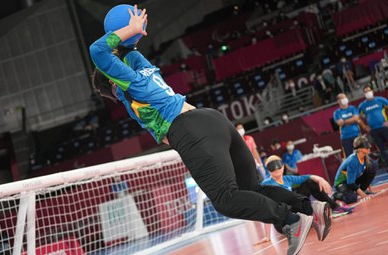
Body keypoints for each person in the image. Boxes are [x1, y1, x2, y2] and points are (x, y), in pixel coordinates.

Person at [89, 6, 324, 254]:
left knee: (225, 199)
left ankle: (290, 221)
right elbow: (126, 50)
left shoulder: (129, 86)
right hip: (211, 118)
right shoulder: (140, 63)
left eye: (112, 94)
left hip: (189, 130)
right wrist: (131, 33)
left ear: (114, 80)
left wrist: (129, 30)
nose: (116, 98)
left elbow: (98, 50)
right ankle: (309, 208)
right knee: (251, 189)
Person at [262, 155, 353, 219]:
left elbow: (305, 177)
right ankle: (315, 212)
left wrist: (320, 179)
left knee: (310, 182)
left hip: (297, 205)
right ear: (268, 170)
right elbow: (262, 203)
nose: (276, 169)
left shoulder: (287, 179)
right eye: (272, 167)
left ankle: (335, 208)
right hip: (286, 212)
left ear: (282, 167)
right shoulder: (266, 183)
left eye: (278, 166)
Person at [333, 136, 377, 204]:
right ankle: (335, 195)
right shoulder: (353, 161)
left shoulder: (365, 157)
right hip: (342, 182)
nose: (369, 148)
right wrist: (362, 195)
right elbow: (350, 183)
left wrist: (366, 189)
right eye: (366, 146)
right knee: (352, 198)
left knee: (373, 166)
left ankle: (362, 189)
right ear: (359, 149)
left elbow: (367, 173)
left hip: (352, 179)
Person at [358, 85, 388, 167]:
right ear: (364, 94)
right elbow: (358, 118)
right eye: (366, 91)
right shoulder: (362, 106)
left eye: (369, 90)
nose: (368, 92)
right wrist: (364, 127)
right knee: (382, 149)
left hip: (384, 128)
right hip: (374, 131)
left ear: (372, 91)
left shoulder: (380, 100)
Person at [333, 93, 364, 158]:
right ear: (338, 101)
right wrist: (351, 120)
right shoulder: (336, 112)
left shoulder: (352, 108)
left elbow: (356, 118)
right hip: (345, 138)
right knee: (350, 157)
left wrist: (344, 121)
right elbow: (340, 123)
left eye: (345, 97)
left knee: (362, 154)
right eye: (342, 98)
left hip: (356, 135)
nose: (344, 99)